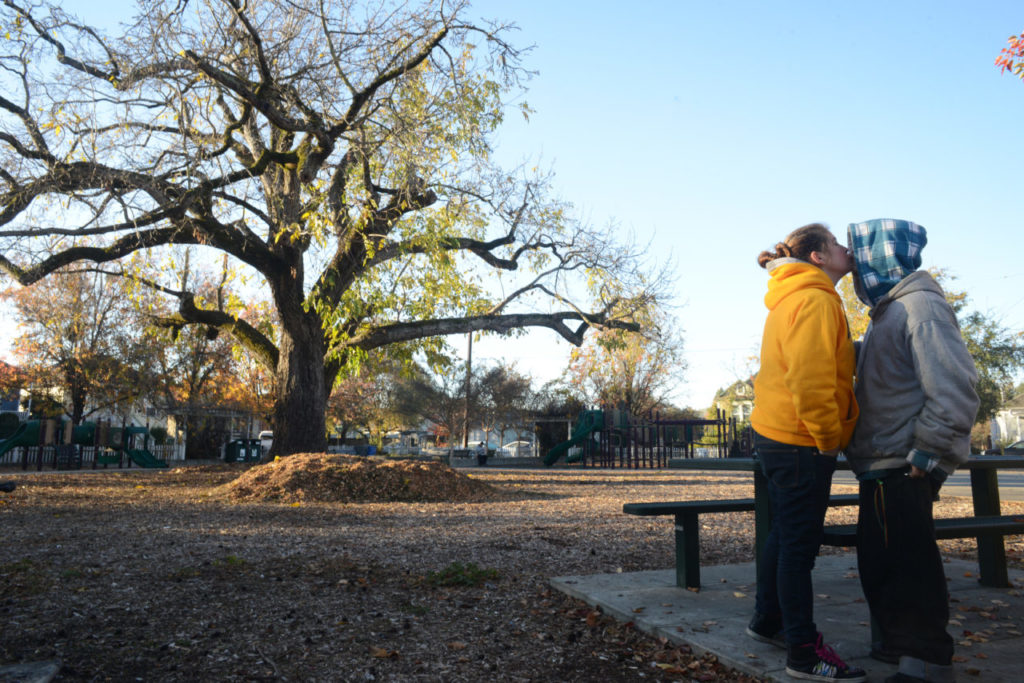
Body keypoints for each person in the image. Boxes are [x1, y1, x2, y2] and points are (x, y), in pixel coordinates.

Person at [844, 219, 979, 683]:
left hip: (906, 461)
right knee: (881, 559)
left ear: (878, 261)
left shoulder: (919, 306)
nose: (856, 273)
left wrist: (929, 450)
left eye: (859, 261)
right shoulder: (889, 311)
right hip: (884, 459)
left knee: (907, 562)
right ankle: (902, 648)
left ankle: (926, 661)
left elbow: (955, 383)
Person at [746, 223, 865, 682]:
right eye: (836, 244)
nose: (845, 249)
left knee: (783, 535)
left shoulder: (795, 295)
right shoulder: (815, 299)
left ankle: (767, 620)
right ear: (817, 256)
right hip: (800, 441)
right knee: (799, 548)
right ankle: (803, 653)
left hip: (778, 436)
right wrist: (828, 439)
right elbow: (810, 380)